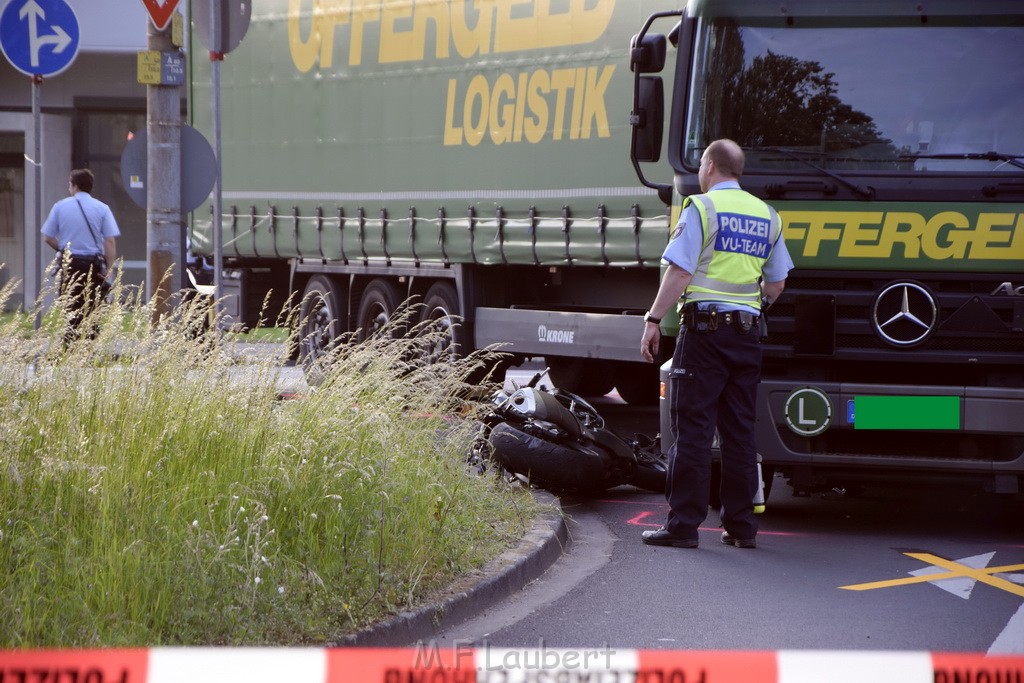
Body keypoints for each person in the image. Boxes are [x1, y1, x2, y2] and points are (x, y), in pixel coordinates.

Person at [639, 139, 793, 550]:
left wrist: (653, 319)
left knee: (692, 429)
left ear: (709, 166)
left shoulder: (702, 209)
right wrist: (749, 309)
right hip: (747, 335)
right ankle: (742, 528)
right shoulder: (767, 216)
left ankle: (683, 526)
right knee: (740, 433)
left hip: (705, 334)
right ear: (738, 171)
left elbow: (679, 272)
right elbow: (776, 284)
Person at [41, 168, 120, 344]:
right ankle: (89, 349)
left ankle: (69, 348)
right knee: (92, 309)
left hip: (70, 266)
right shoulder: (102, 208)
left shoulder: (60, 207)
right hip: (93, 266)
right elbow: (109, 242)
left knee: (70, 308)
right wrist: (108, 267)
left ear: (74, 185)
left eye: (70, 185)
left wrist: (64, 250)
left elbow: (47, 237)